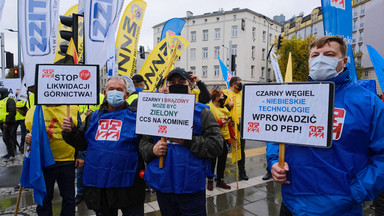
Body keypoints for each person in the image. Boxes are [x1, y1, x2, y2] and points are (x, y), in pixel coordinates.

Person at [269, 35, 384, 215]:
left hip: (341, 208)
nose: (320, 59)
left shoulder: (368, 102)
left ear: (344, 61)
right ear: (309, 61)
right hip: (292, 204)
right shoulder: (293, 98)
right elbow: (277, 135)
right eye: (315, 55)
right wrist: (275, 162)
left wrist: (357, 191)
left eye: (329, 54)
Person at [140, 68, 223, 216]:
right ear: (166, 86)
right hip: (163, 184)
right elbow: (142, 144)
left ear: (190, 84)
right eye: (172, 82)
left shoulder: (202, 112)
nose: (177, 85)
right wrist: (153, 149)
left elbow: (216, 146)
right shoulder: (154, 108)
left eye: (181, 82)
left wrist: (187, 141)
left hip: (191, 186)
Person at [62, 76, 146, 216]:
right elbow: (82, 143)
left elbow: (145, 145)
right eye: (111, 89)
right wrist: (70, 132)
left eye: (119, 89)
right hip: (100, 185)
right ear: (105, 93)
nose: (115, 92)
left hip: (129, 184)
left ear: (126, 94)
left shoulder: (137, 118)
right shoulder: (93, 117)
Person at [25, 104, 79, 216]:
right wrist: (28, 137)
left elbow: (81, 134)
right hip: (44, 162)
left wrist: (80, 156)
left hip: (67, 161)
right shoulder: (35, 110)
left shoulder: (73, 108)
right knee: (44, 198)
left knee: (69, 198)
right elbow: (30, 132)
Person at [207, 89, 235, 191]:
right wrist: (219, 123)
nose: (224, 99)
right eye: (223, 96)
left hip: (225, 138)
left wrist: (233, 135)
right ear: (217, 98)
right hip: (214, 138)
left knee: (222, 161)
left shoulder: (224, 109)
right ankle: (210, 180)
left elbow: (229, 124)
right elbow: (208, 124)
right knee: (212, 160)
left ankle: (220, 180)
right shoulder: (209, 107)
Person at [223, 77, 248, 181]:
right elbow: (218, 109)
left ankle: (242, 172)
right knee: (224, 151)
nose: (241, 85)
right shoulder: (224, 93)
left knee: (240, 150)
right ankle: (220, 175)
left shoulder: (242, 94)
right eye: (239, 83)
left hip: (240, 126)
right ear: (233, 84)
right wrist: (228, 106)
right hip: (228, 126)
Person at [0, 88, 17, 161]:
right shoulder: (1, 101)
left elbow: (12, 112)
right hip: (2, 123)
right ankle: (11, 153)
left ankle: (11, 154)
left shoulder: (10, 100)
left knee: (6, 138)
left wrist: (7, 122)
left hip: (8, 123)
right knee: (8, 138)